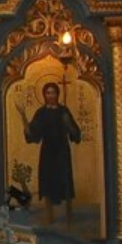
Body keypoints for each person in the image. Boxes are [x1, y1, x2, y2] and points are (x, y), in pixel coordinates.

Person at [16, 81, 82, 223]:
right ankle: (49, 216)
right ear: (44, 95)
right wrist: (23, 116)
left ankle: (69, 215)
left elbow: (75, 134)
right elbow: (33, 134)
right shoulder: (41, 113)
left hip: (62, 151)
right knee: (48, 181)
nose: (51, 95)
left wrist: (68, 124)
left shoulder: (64, 111)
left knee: (65, 181)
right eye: (48, 93)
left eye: (53, 92)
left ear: (58, 94)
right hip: (48, 152)